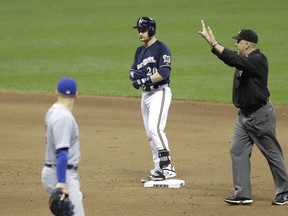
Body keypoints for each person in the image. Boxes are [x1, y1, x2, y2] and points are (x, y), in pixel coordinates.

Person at [198, 20, 288, 205]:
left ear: (246, 44)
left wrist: (214, 44)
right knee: (237, 150)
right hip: (244, 116)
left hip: (259, 115)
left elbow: (233, 60)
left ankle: (285, 191)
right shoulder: (245, 60)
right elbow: (236, 60)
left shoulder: (258, 60)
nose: (236, 43)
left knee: (272, 152)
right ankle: (243, 194)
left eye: (238, 41)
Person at [129, 16, 177, 183]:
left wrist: (144, 79)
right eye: (139, 30)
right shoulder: (139, 51)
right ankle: (158, 168)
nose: (140, 33)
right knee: (151, 133)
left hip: (159, 93)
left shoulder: (162, 48)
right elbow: (132, 72)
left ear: (152, 30)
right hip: (146, 96)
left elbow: (163, 73)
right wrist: (137, 75)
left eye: (143, 30)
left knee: (156, 128)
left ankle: (168, 166)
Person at [41, 77, 85, 215]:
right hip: (62, 173)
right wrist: (61, 183)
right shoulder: (64, 117)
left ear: (56, 92)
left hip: (54, 170)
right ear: (76, 94)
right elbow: (62, 152)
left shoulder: (52, 111)